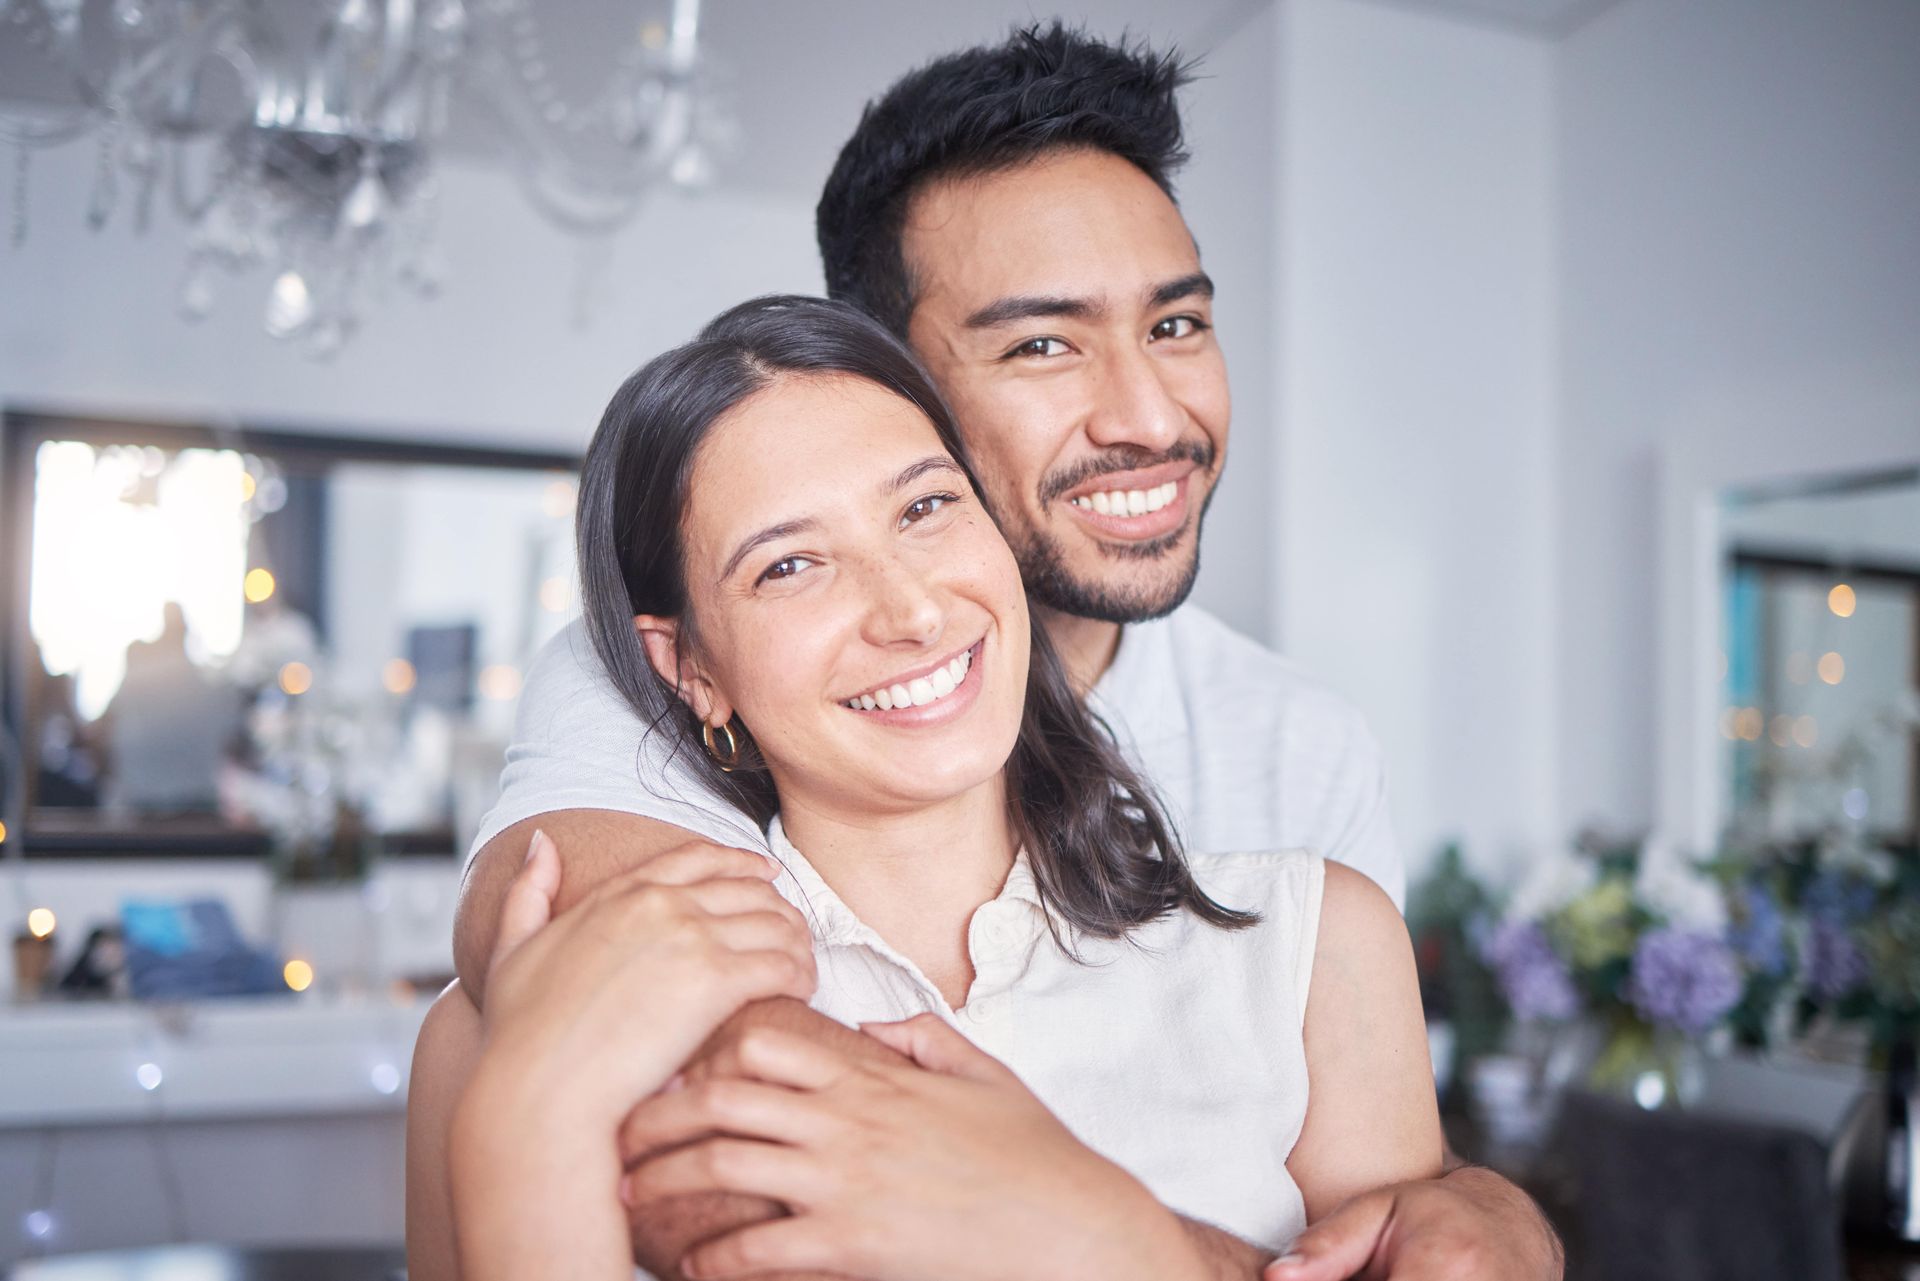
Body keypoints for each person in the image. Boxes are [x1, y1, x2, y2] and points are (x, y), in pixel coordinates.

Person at [432, 25, 1561, 1281]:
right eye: (1041, 344)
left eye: (1176, 323)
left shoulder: (1306, 798)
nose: (1149, 416)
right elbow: (631, 1041)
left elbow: (1391, 1195)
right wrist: (1084, 1227)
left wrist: (1489, 1211)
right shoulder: (628, 688)